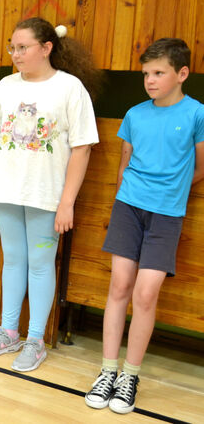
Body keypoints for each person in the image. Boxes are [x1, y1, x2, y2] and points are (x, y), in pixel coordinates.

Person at [84, 38, 204, 414]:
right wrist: (129, 196)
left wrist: (171, 191)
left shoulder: (197, 114)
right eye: (146, 74)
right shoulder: (135, 114)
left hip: (167, 215)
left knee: (146, 294)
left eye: (158, 73)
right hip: (128, 209)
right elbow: (125, 165)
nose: (150, 80)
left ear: (182, 74)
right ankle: (108, 372)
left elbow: (201, 166)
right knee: (119, 285)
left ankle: (130, 376)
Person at [0, 18, 101, 372]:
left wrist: (67, 202)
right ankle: (8, 332)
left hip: (46, 196)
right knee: (13, 260)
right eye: (12, 48)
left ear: (46, 48)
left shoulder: (70, 88)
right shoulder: (5, 86)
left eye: (23, 48)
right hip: (6, 192)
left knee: (42, 263)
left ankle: (35, 340)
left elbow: (82, 149)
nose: (15, 54)